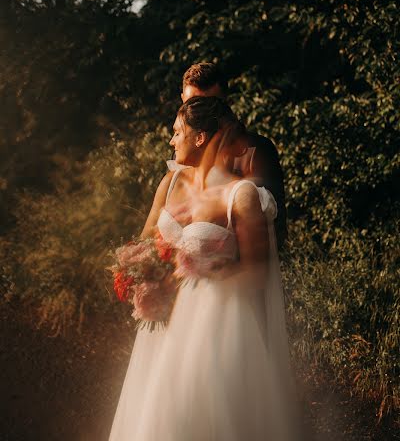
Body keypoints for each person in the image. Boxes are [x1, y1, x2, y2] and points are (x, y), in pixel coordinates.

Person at [109, 96, 298, 441]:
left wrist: (202, 273)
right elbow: (149, 242)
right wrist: (146, 273)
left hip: (219, 328)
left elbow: (259, 273)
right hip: (172, 328)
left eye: (177, 132)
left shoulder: (241, 194)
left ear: (199, 138)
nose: (171, 140)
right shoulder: (175, 186)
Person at [180, 62, 288, 249]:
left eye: (211, 104)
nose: (201, 114)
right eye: (193, 104)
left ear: (226, 102)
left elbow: (276, 225)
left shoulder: (257, 150)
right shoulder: (179, 154)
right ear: (182, 99)